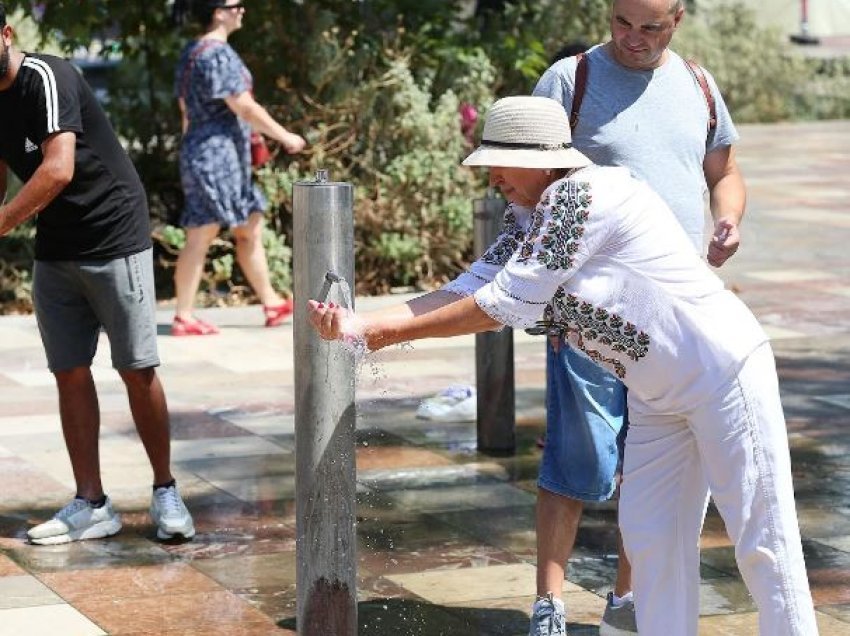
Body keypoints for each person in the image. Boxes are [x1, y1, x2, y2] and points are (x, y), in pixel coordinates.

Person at [307, 95, 817, 636]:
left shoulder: (585, 196)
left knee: (763, 537)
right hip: (656, 393)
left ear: (544, 160)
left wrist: (382, 333)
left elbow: (501, 305)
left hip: (722, 372)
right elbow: (470, 288)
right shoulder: (528, 213)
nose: (493, 178)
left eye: (499, 163)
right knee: (651, 539)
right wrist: (359, 324)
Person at [530, 1, 746, 632]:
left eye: (650, 27)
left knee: (652, 467)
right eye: (622, 22)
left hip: (675, 314)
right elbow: (528, 178)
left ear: (676, 20)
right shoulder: (572, 81)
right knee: (581, 460)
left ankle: (626, 602)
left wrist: (729, 217)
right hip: (588, 311)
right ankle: (550, 605)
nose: (632, 39)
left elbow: (724, 173)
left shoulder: (699, 86)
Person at [0, 6, 194, 544]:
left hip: (113, 234)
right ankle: (91, 503)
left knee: (137, 369)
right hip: (56, 246)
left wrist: (2, 223)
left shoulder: (48, 75)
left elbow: (58, 167)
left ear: (6, 34)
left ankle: (166, 491)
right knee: (69, 370)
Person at [171, 0, 306, 336]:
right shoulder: (217, 54)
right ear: (219, 12)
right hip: (217, 156)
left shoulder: (192, 52)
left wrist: (191, 152)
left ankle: (271, 302)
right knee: (202, 231)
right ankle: (184, 316)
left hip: (212, 154)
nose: (242, 9)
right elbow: (243, 105)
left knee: (249, 225)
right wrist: (284, 135)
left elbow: (185, 111)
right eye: (236, 5)